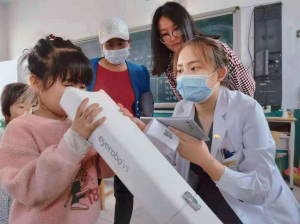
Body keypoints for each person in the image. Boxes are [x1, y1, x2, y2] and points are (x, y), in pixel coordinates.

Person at [125, 36, 300, 223]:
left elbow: (261, 190)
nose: (184, 77)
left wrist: (206, 161)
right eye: (180, 70)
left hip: (248, 208)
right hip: (202, 197)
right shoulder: (182, 108)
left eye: (194, 68)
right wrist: (145, 132)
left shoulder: (247, 109)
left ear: (220, 74)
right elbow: (172, 154)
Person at [0, 35, 117, 224]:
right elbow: (29, 190)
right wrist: (75, 140)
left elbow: (102, 171)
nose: (78, 93)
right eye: (69, 85)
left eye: (82, 86)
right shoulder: (20, 129)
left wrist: (119, 135)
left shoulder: (77, 123)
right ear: (36, 83)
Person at [87, 17, 153, 224]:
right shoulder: (89, 69)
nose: (115, 48)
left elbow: (146, 107)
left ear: (129, 42)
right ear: (102, 46)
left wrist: (147, 131)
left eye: (120, 43)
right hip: (94, 138)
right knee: (87, 187)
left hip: (127, 139)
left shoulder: (139, 72)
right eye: (110, 44)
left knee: (124, 192)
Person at [151, 1, 255, 99]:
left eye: (177, 29)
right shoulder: (170, 66)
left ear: (186, 25)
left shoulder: (216, 50)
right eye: (165, 34)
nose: (172, 38)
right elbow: (185, 101)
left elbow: (247, 92)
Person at [0, 82, 37, 224]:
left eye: (33, 106)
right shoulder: (2, 137)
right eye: (21, 107)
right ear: (6, 112)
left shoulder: (37, 137)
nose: (28, 112)